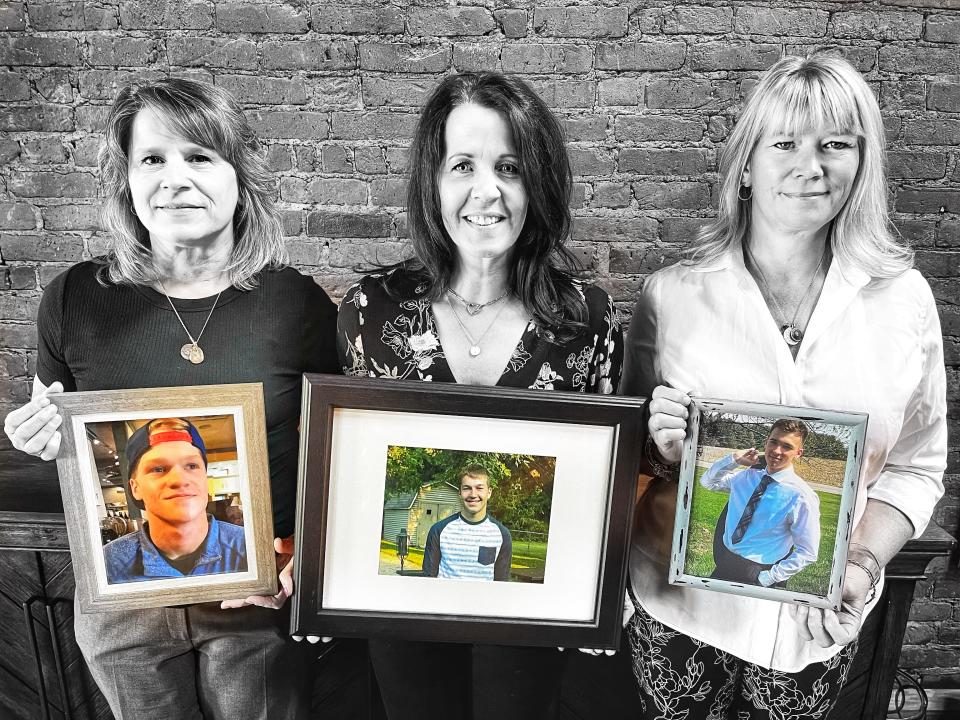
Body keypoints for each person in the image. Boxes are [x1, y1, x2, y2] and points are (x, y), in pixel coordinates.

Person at [2, 78, 342, 719]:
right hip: (124, 606)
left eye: (200, 157)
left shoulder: (295, 302)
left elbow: (335, 449)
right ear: (126, 181)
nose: (175, 179)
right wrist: (38, 435)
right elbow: (67, 431)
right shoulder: (75, 298)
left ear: (239, 178)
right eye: (152, 159)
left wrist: (303, 552)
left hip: (255, 603)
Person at [623, 52, 946, 719]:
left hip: (814, 622)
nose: (812, 165)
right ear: (746, 165)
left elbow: (917, 466)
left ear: (862, 163)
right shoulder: (673, 297)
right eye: (785, 143)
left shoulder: (904, 302)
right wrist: (663, 448)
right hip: (679, 611)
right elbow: (634, 460)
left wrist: (858, 564)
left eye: (835, 144)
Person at [337, 71, 623, 720]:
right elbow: (354, 472)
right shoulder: (371, 310)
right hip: (401, 615)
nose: (486, 191)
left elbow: (603, 485)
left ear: (537, 184)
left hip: (533, 615)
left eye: (510, 167)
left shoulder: (588, 320)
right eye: (462, 165)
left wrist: (602, 587)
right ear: (432, 183)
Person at [103, 418, 248, 584]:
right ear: (135, 488)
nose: (179, 480)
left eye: (192, 466)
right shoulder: (107, 566)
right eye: (158, 469)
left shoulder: (251, 550)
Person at [702, 418, 820, 588]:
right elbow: (708, 482)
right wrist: (733, 459)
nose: (777, 451)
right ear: (766, 442)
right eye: (774, 442)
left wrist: (769, 578)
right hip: (725, 562)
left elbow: (808, 552)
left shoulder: (801, 496)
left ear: (798, 453)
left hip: (760, 574)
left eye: (787, 446)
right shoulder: (747, 477)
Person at [421, 465, 513, 582]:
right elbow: (427, 579)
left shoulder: (502, 535)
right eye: (466, 488)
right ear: (459, 493)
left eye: (479, 488)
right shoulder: (439, 531)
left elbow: (501, 584)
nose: (473, 494)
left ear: (489, 492)